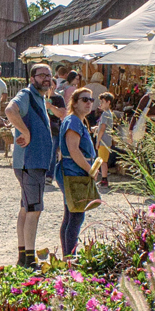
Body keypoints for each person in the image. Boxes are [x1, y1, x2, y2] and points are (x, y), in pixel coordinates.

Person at [7, 62, 58, 269]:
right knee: (33, 211)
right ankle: (29, 259)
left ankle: (23, 257)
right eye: (41, 75)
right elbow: (10, 110)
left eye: (49, 75)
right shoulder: (27, 94)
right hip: (31, 161)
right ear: (32, 78)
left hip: (30, 162)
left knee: (25, 209)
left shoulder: (38, 97)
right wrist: (25, 132)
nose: (46, 78)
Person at [56, 87, 103, 258]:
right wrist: (90, 170)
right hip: (72, 173)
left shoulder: (76, 120)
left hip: (73, 172)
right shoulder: (74, 121)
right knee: (76, 217)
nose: (89, 103)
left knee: (71, 216)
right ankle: (70, 258)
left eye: (91, 100)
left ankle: (68, 256)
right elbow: (73, 150)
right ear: (74, 103)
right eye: (84, 99)